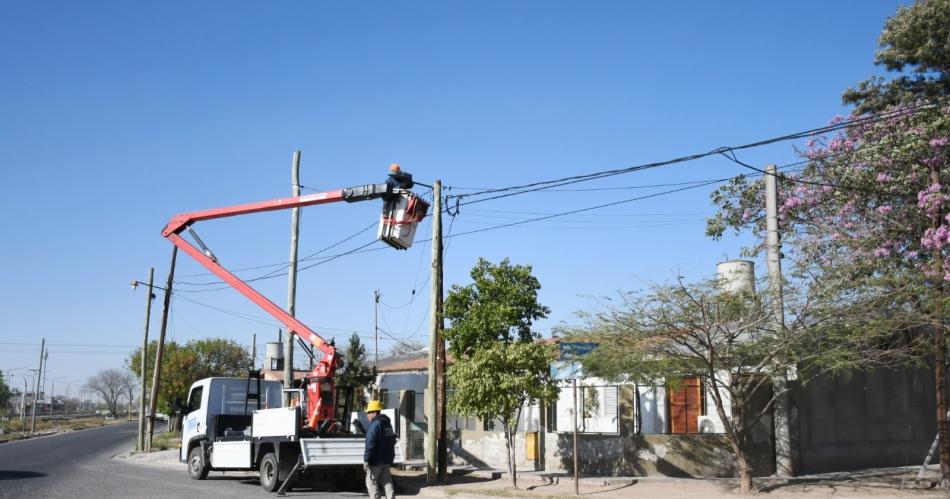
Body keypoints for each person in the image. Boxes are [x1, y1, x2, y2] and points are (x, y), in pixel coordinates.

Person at [363, 400, 396, 499]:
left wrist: (366, 460)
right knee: (387, 481)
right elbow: (392, 440)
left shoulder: (374, 425)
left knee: (370, 482)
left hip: (375, 461)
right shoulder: (387, 424)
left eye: (368, 413)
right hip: (386, 460)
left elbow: (370, 444)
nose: (367, 415)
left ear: (374, 413)